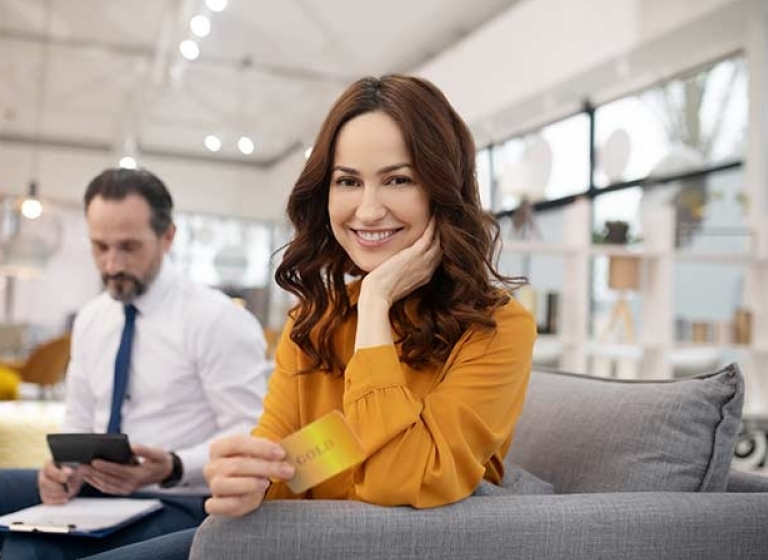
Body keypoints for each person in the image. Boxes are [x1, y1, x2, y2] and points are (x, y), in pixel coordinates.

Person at [76, 73, 537, 560]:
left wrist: (376, 303)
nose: (368, 209)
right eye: (348, 182)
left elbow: (398, 481)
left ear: (443, 190)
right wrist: (243, 480)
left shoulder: (499, 328)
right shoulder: (315, 322)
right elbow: (287, 473)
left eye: (398, 179)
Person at [0, 168, 270, 560]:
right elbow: (77, 421)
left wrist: (172, 467)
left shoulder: (217, 320)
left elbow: (253, 435)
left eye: (128, 247)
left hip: (178, 498)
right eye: (100, 247)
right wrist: (62, 470)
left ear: (168, 237)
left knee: (29, 545)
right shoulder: (93, 319)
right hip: (95, 491)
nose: (111, 265)